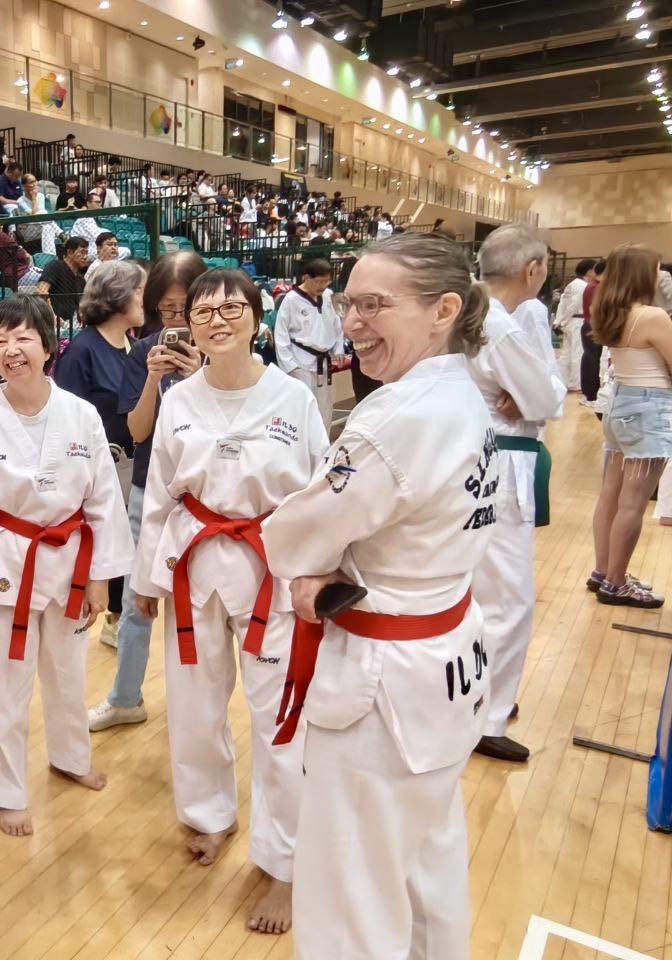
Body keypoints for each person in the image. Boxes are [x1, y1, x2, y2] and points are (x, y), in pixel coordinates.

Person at [261, 232, 498, 959]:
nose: (352, 321)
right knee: (428, 867)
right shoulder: (464, 394)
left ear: (442, 310)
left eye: (374, 304)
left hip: (382, 687)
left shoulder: (396, 417)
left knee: (351, 899)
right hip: (447, 659)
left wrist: (305, 576)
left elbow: (293, 538)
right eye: (347, 302)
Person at [131, 267, 323, 935]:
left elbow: (321, 492)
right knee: (192, 706)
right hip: (190, 566)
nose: (216, 319)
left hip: (272, 567)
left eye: (231, 308)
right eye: (204, 310)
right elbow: (160, 491)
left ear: (255, 317)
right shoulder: (181, 399)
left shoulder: (293, 397)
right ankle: (208, 816)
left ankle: (285, 863)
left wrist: (317, 575)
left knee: (280, 719)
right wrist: (145, 579)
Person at [0, 295, 131, 837]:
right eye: (0, 341)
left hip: (71, 562)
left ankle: (70, 757)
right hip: (8, 565)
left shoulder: (80, 414)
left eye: (23, 338)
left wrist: (101, 576)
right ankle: (6, 790)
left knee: (68, 672)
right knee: (7, 686)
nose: (11, 350)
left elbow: (103, 498)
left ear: (48, 345)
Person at [89, 252, 206, 729]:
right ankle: (125, 697)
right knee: (140, 600)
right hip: (148, 489)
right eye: (166, 310)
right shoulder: (143, 353)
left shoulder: (225, 350)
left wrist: (199, 376)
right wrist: (156, 378)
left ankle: (199, 706)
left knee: (200, 607)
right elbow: (137, 432)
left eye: (185, 308)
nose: (175, 321)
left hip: (205, 498)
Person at [468, 225, 565, 763]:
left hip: (475, 457)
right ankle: (488, 715)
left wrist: (527, 395)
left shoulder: (467, 308)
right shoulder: (499, 325)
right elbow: (546, 398)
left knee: (477, 586)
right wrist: (533, 393)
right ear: (532, 270)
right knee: (508, 597)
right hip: (499, 464)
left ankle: (479, 691)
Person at [55, 261, 144, 643]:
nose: (145, 299)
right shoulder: (82, 351)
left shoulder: (134, 347)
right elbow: (66, 421)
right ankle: (102, 610)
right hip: (97, 469)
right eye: (139, 291)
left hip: (130, 464)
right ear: (118, 296)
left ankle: (119, 617)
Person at [590, 243, 672, 608]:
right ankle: (617, 582)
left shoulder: (608, 311)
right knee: (633, 502)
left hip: (622, 404)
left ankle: (603, 570)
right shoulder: (652, 316)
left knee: (611, 493)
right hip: (649, 408)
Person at [273, 258, 344, 434]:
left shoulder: (328, 295)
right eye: (319, 281)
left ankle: (323, 449)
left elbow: (336, 324)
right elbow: (280, 333)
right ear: (306, 278)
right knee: (302, 406)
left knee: (325, 408)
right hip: (300, 361)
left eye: (326, 281)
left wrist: (339, 349)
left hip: (324, 361)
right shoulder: (291, 299)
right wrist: (289, 365)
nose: (322, 286)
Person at [555, 258, 595, 392]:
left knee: (567, 353)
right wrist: (562, 321)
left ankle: (562, 380)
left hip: (572, 321)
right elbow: (572, 305)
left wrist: (559, 322)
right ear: (589, 271)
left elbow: (563, 304)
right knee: (578, 353)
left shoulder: (574, 284)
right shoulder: (581, 286)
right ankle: (575, 383)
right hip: (577, 321)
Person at [36, 236, 88, 331]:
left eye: (86, 253)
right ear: (69, 252)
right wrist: (52, 316)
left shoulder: (81, 279)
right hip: (53, 323)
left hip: (74, 324)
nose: (85, 257)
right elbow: (41, 292)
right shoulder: (55, 266)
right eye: (82, 252)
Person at [580, 259, 607, 404]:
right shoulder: (595, 287)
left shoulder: (594, 286)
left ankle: (590, 393)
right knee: (591, 360)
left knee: (592, 359)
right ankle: (590, 395)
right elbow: (593, 309)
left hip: (591, 325)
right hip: (592, 326)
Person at [15, 173, 58, 253]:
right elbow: (34, 216)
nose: (35, 184)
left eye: (35, 181)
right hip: (28, 229)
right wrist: (34, 199)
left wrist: (36, 197)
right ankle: (60, 233)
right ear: (24, 186)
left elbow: (40, 216)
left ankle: (49, 256)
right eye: (31, 182)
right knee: (44, 214)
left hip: (42, 226)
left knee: (47, 227)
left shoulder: (41, 196)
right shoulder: (20, 201)